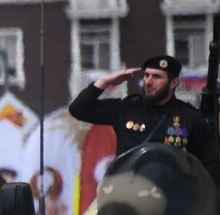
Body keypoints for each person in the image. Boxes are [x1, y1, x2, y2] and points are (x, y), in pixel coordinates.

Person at [67, 55, 219, 179]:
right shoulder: (126, 109)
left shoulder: (189, 116)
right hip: (128, 196)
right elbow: (78, 110)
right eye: (146, 75)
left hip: (173, 200)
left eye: (156, 77)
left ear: (173, 83)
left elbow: (208, 164)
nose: (148, 82)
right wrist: (104, 82)